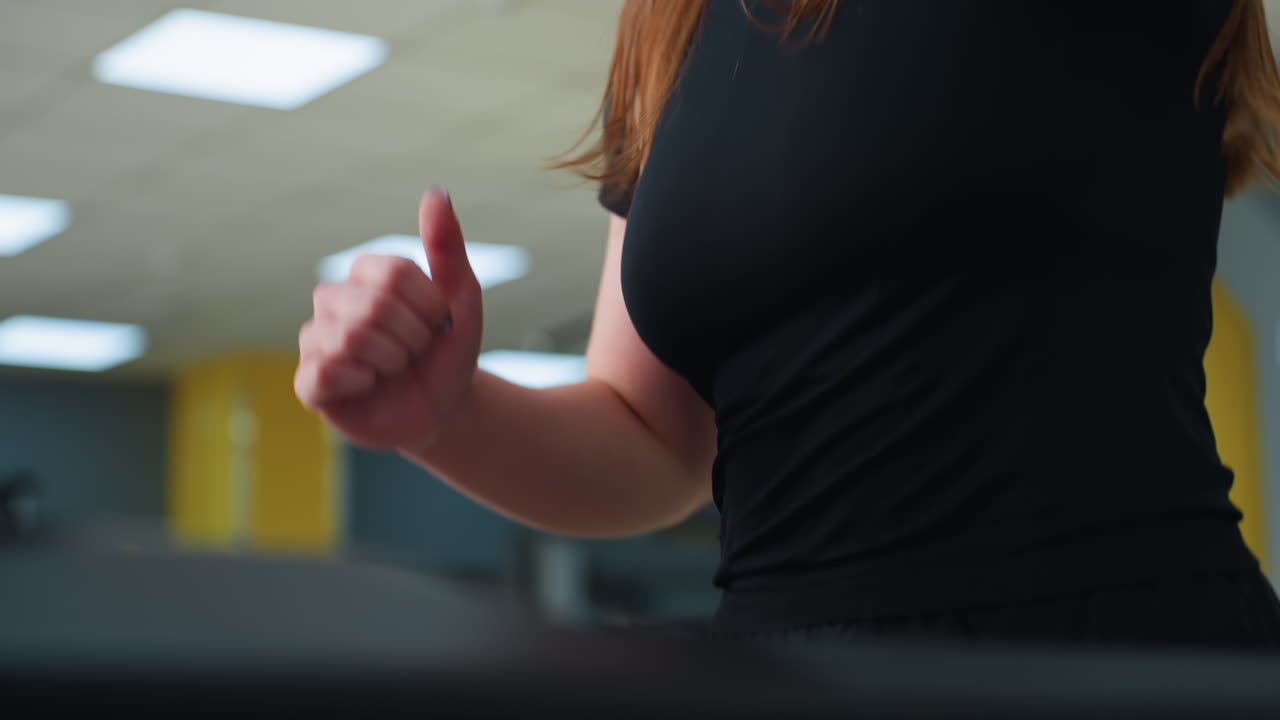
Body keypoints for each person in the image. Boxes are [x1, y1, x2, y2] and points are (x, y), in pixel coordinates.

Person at [295, 0, 1280, 650]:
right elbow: (649, 438)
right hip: (789, 662)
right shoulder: (671, 19)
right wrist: (443, 417)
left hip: (1108, 650)